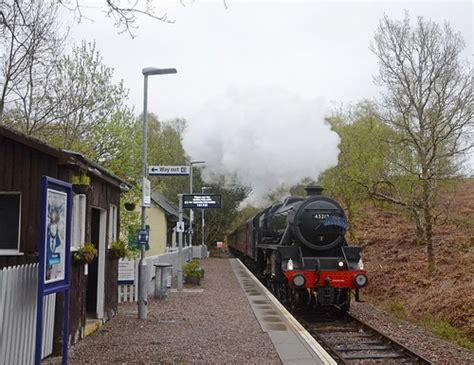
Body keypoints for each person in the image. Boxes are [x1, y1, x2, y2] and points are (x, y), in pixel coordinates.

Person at [46, 207, 61, 280]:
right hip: (48, 265)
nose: (53, 231)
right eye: (51, 228)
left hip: (54, 267)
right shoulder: (47, 241)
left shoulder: (58, 243)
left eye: (54, 228)